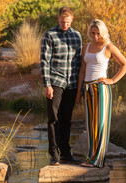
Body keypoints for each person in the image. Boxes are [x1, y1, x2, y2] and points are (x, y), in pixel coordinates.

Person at [76, 19, 126, 168]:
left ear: (103, 32)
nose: (95, 36)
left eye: (98, 33)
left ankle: (98, 160)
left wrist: (112, 80)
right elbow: (82, 70)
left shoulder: (109, 47)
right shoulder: (86, 47)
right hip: (87, 89)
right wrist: (78, 92)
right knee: (90, 125)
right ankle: (91, 158)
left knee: (100, 124)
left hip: (101, 89)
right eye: (93, 33)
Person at [40, 7, 82, 166]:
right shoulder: (50, 35)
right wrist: (47, 85)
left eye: (68, 22)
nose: (65, 24)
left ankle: (66, 153)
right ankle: (54, 154)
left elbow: (79, 62)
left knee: (66, 120)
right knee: (53, 119)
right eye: (62, 22)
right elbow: (45, 61)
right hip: (55, 82)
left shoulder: (77, 36)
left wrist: (79, 87)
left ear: (72, 19)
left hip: (71, 83)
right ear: (58, 19)